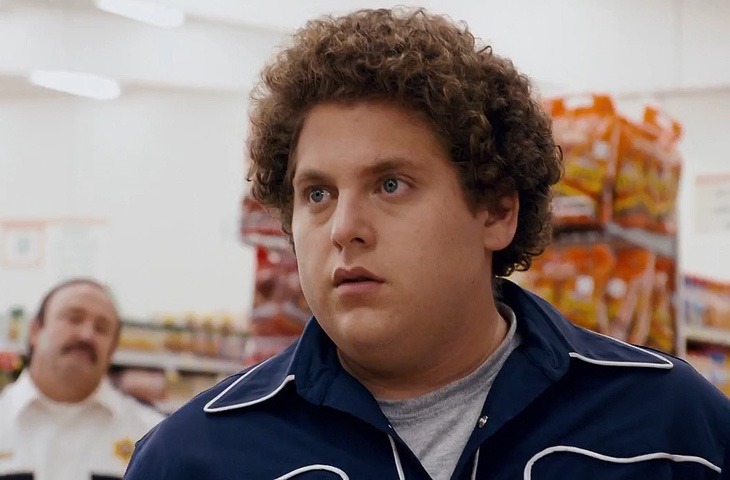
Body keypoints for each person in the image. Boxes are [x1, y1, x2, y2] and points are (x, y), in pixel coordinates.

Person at [125, 8, 730, 480]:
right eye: (317, 193)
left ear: (497, 210)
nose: (344, 227)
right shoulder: (193, 459)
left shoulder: (672, 428)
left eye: (390, 184)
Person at [0, 279, 164, 480]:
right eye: (73, 319)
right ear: (35, 331)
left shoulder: (152, 435)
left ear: (112, 349)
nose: (87, 335)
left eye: (101, 328)